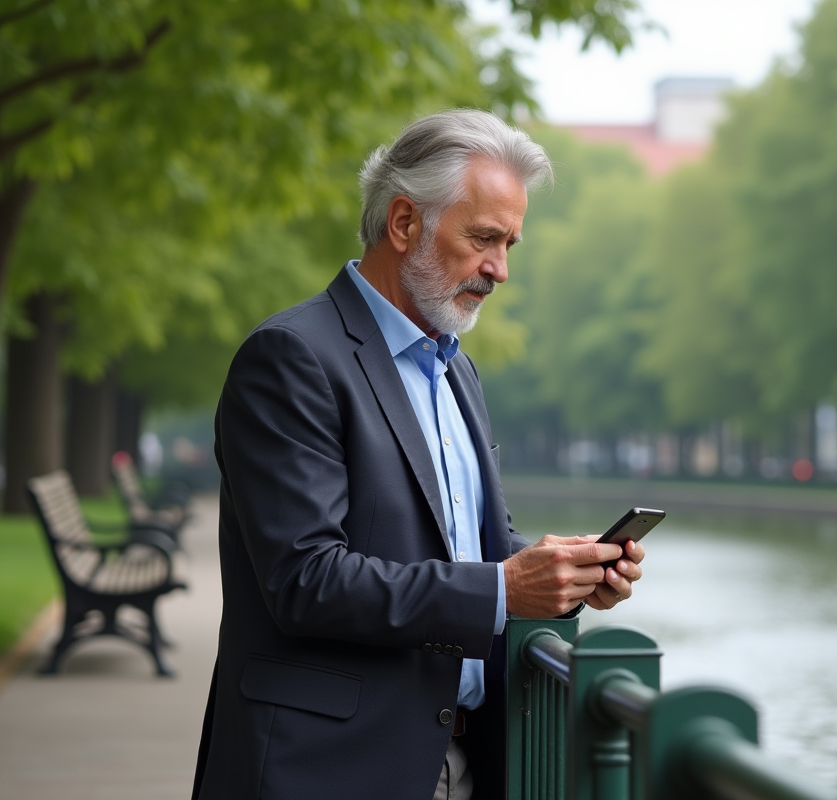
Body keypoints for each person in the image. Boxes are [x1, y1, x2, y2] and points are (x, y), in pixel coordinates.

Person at [191, 109, 645, 800]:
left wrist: (563, 570)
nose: (499, 269)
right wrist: (503, 589)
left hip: (460, 759)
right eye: (484, 239)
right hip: (324, 770)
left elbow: (468, 545)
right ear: (404, 224)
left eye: (510, 244)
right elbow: (305, 579)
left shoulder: (456, 368)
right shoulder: (289, 358)